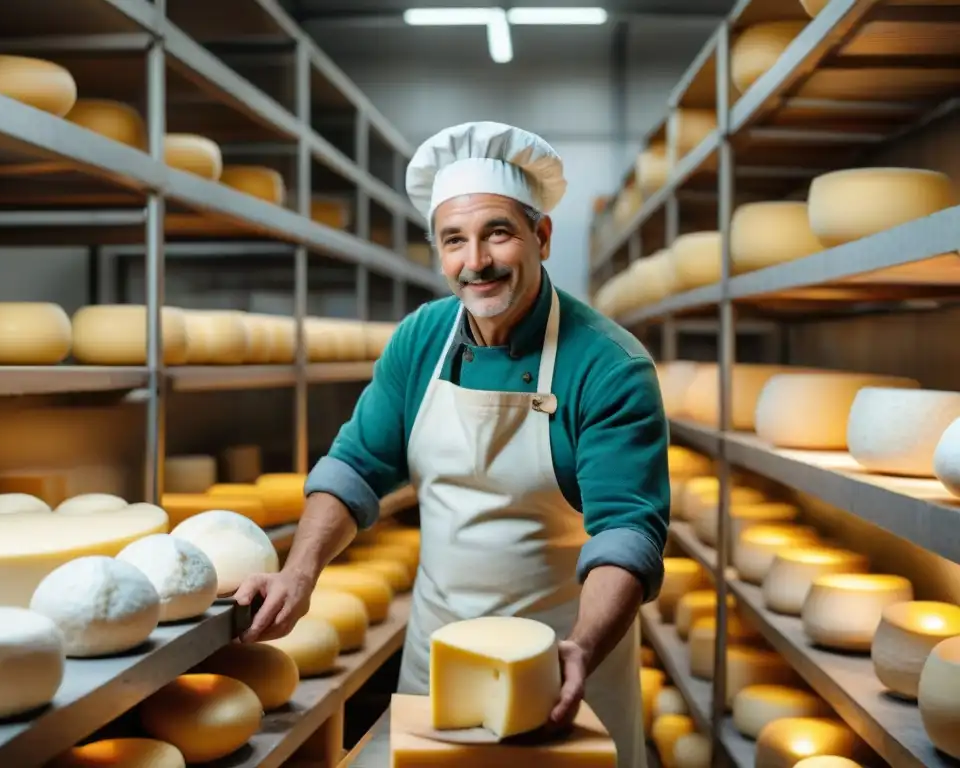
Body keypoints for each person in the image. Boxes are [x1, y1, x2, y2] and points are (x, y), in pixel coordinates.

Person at [234, 120, 670, 768]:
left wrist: (579, 648)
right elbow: (357, 464)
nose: (477, 262)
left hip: (561, 671)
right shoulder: (421, 339)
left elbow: (626, 533)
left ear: (541, 236)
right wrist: (300, 572)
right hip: (439, 670)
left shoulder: (608, 366)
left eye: (498, 233)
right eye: (454, 241)